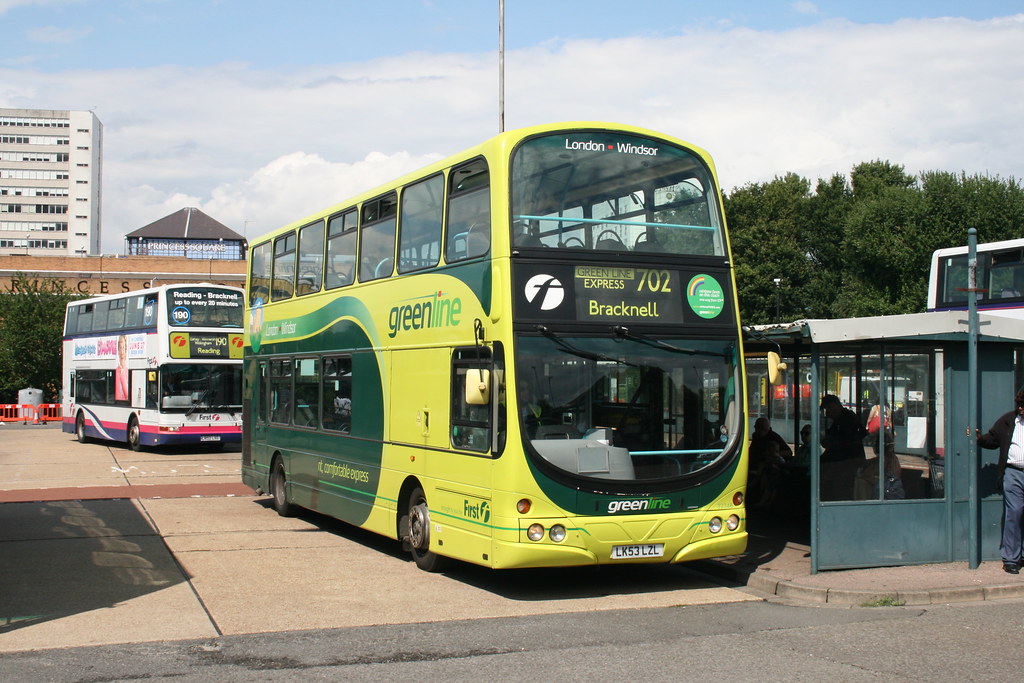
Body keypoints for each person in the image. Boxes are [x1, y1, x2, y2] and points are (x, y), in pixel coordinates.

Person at [977, 388, 1024, 574]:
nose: (1021, 409)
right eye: (1020, 405)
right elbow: (993, 439)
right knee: (1014, 513)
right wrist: (980, 439)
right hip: (1013, 473)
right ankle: (1011, 558)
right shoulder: (1008, 420)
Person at [819, 394, 867, 501]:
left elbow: (843, 445)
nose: (827, 414)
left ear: (833, 406)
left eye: (827, 409)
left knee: (842, 495)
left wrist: (829, 443)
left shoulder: (847, 420)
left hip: (847, 466)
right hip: (843, 465)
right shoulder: (841, 420)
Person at [747, 417, 792, 509]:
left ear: (763, 428)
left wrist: (773, 455)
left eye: (757, 427)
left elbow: (788, 452)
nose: (755, 428)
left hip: (768, 467)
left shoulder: (774, 437)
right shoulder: (756, 437)